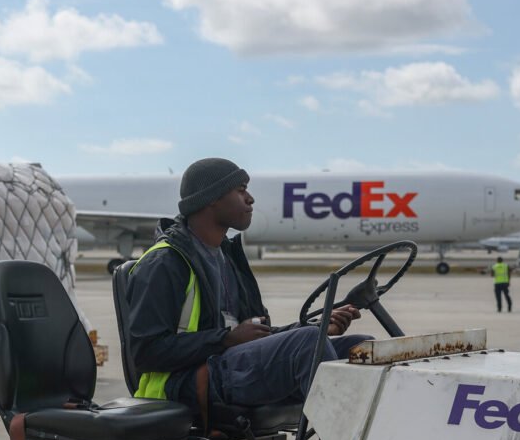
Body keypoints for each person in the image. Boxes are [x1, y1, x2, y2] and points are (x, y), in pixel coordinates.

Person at [125, 157, 368, 420]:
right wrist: (225, 339)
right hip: (183, 383)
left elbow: (254, 336)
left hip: (227, 365)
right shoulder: (165, 262)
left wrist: (316, 326)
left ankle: (365, 438)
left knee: (360, 348)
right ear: (211, 198)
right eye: (241, 191)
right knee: (308, 343)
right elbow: (146, 352)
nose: (250, 199)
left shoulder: (227, 259)